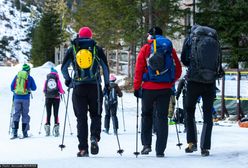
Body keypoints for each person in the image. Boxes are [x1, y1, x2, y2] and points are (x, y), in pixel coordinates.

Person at [133, 26, 182, 157]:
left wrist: (137, 87)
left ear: (151, 36)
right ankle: (160, 150)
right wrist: (171, 81)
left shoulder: (146, 48)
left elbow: (138, 69)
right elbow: (178, 68)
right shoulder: (168, 48)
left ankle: (146, 145)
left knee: (146, 115)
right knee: (162, 118)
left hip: (148, 88)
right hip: (165, 88)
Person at [61, 26, 109, 157]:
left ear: (79, 36)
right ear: (91, 36)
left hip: (78, 87)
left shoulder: (73, 49)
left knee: (81, 119)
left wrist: (69, 81)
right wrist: (107, 84)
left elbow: (64, 68)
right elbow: (105, 68)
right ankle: (94, 137)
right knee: (96, 115)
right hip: (95, 87)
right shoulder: (96, 49)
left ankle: (83, 149)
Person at [181, 25, 223, 156]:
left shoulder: (191, 39)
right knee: (207, 114)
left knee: (189, 110)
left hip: (194, 80)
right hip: (210, 81)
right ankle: (205, 147)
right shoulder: (213, 39)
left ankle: (192, 143)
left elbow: (184, 59)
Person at [10, 64, 37, 139]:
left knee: (16, 114)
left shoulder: (17, 76)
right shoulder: (30, 77)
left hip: (16, 98)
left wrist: (16, 91)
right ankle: (25, 133)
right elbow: (34, 88)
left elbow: (11, 87)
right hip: (25, 98)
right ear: (28, 70)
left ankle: (14, 132)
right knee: (25, 114)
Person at [43, 67, 65, 137]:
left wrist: (47, 94)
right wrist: (63, 92)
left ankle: (47, 129)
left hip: (48, 98)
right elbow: (61, 89)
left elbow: (44, 90)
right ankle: (56, 130)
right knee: (56, 113)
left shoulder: (47, 80)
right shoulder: (57, 79)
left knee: (48, 113)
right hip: (56, 98)